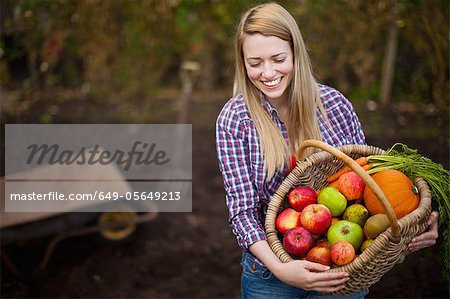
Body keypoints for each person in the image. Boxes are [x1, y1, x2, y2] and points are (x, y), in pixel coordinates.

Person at [215, 2, 439, 298]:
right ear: (243, 63)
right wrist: (282, 269)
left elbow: (370, 177)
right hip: (270, 275)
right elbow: (242, 212)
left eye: (278, 59)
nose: (267, 72)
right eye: (255, 63)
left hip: (342, 267)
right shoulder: (234, 120)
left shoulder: (334, 106)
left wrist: (415, 220)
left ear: (296, 53)